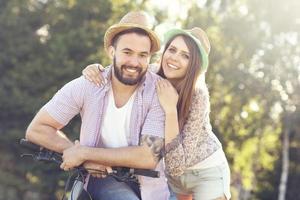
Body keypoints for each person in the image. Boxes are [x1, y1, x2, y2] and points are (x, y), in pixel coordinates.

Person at [25, 11, 170, 200]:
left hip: (152, 186)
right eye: (127, 52)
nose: (134, 62)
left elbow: (149, 156)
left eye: (143, 55)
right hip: (100, 180)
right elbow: (37, 129)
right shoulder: (88, 84)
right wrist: (74, 151)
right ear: (112, 51)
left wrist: (85, 153)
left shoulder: (159, 92)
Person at [83, 27, 231, 200]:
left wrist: (170, 110)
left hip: (207, 173)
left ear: (194, 65)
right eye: (172, 50)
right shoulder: (151, 73)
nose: (175, 58)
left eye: (186, 55)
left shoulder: (198, 95)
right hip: (171, 179)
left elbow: (176, 165)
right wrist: (97, 69)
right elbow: (122, 69)